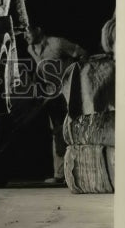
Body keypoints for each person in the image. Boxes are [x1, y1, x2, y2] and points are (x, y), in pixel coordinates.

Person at [25, 27, 88, 185]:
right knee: (57, 131)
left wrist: (74, 80)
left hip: (68, 93)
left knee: (74, 129)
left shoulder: (57, 43)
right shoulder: (30, 48)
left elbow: (82, 54)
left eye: (28, 31)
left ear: (38, 30)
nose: (25, 36)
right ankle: (60, 175)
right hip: (51, 95)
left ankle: (82, 173)